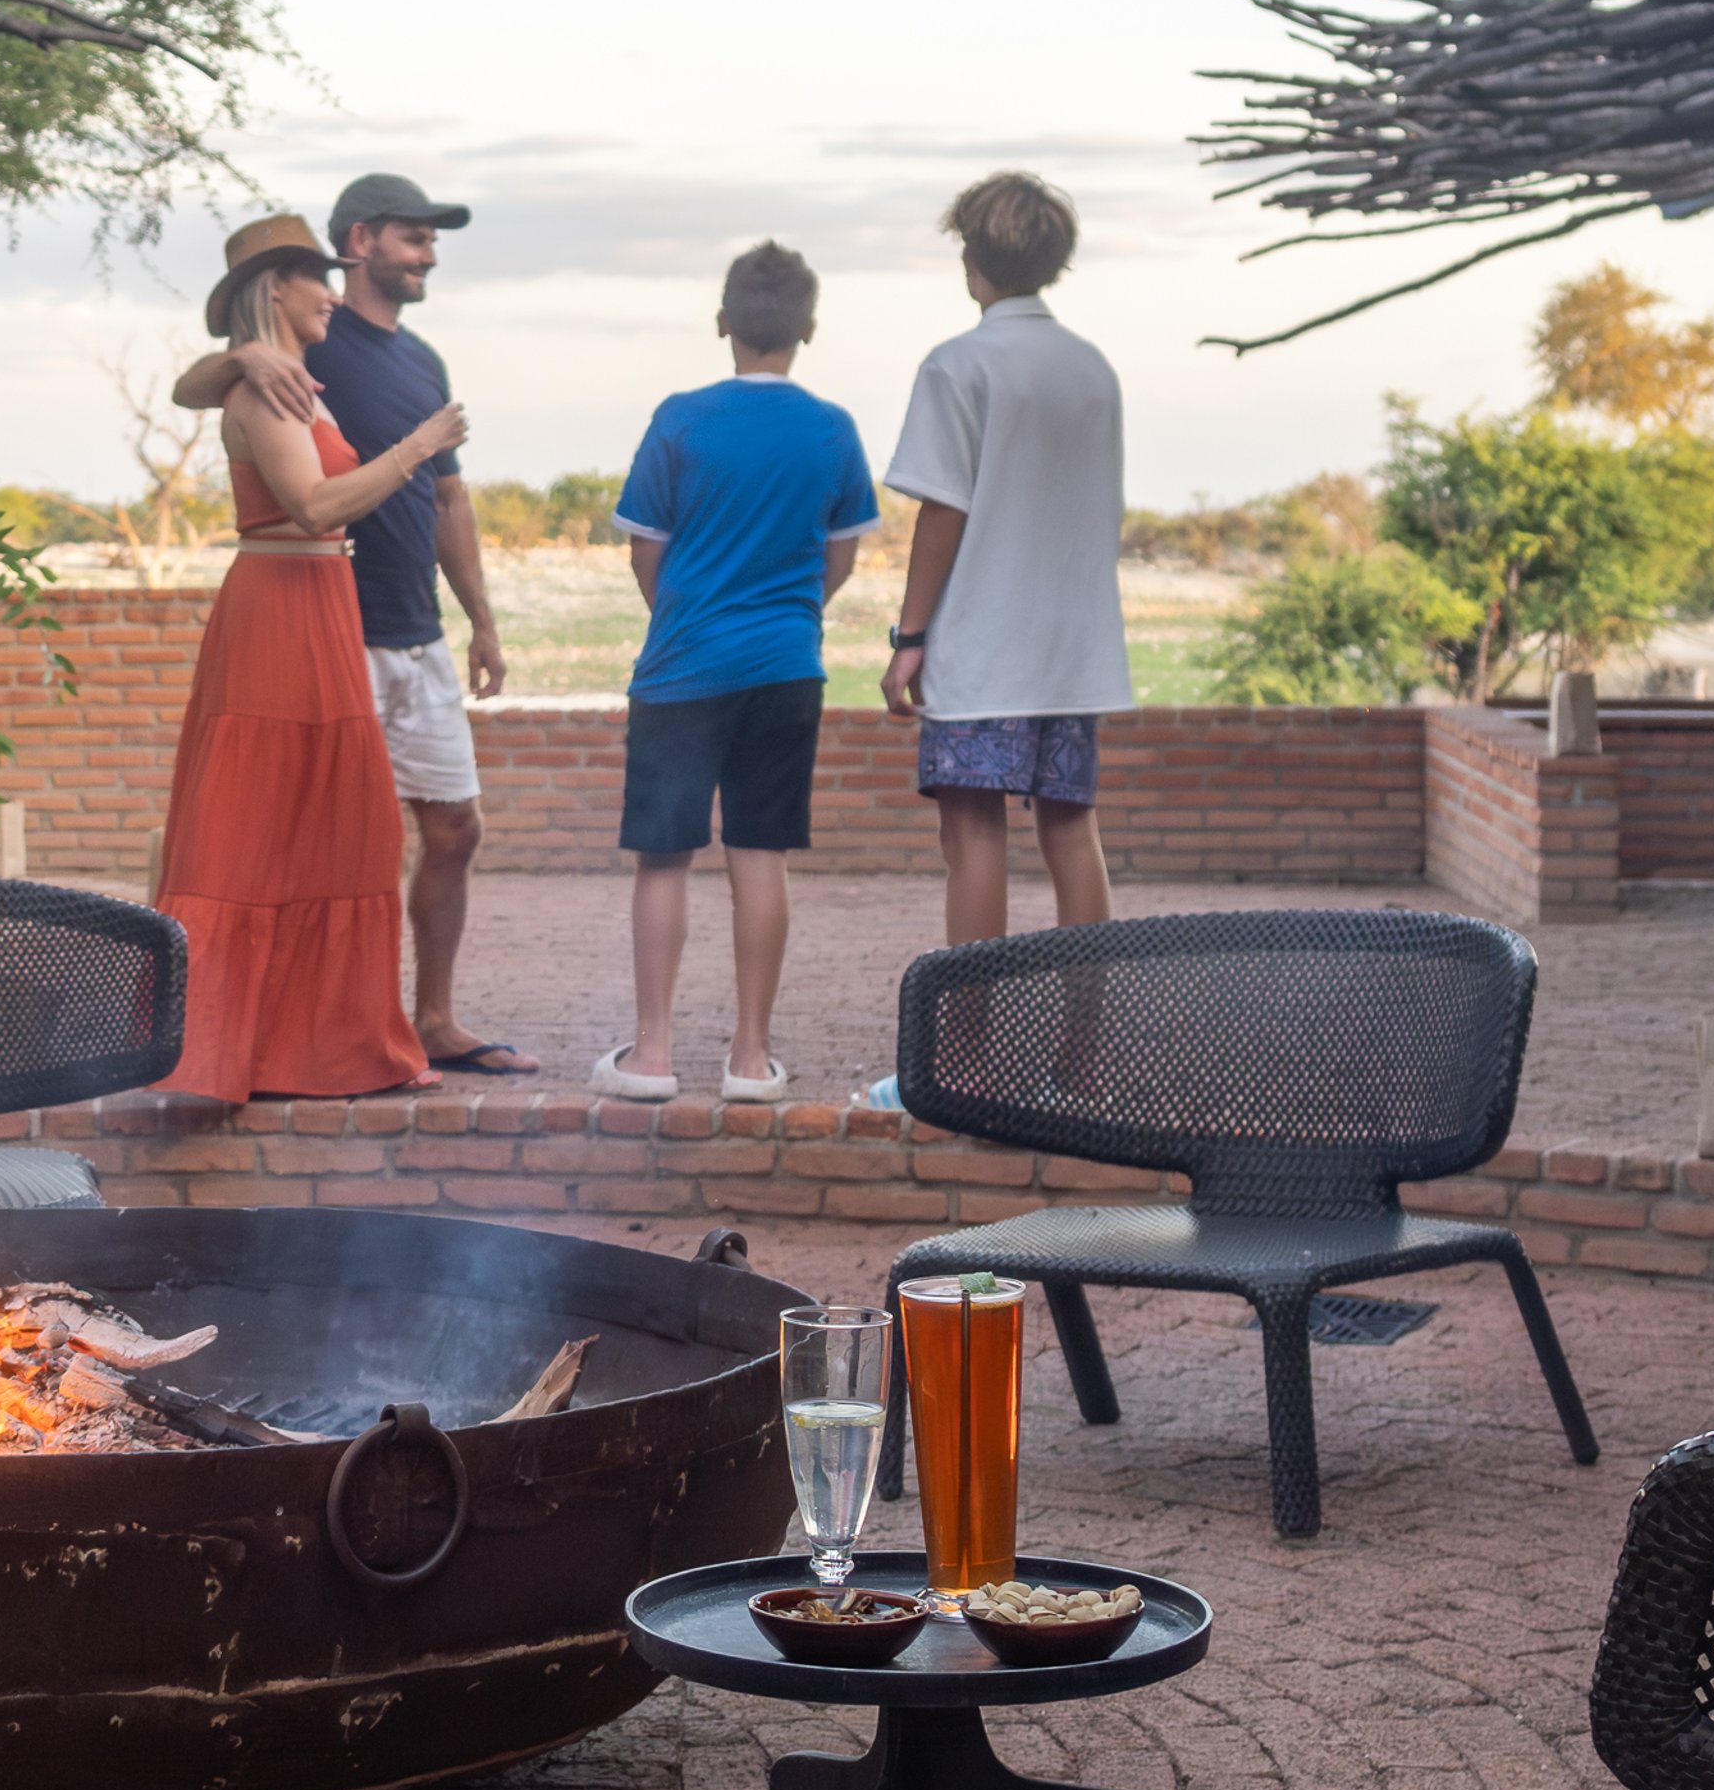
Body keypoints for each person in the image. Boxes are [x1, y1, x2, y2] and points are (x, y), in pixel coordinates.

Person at [170, 171, 529, 1073]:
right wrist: (242, 357)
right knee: (329, 837)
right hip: (329, 631)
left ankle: (431, 1020)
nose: (430, 256)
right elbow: (197, 385)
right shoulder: (300, 357)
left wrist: (480, 619)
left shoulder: (421, 364)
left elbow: (448, 498)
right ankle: (304, 1034)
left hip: (418, 627)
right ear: (362, 241)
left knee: (456, 827)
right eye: (416, 238)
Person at [595, 242, 880, 1106]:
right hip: (787, 667)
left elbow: (648, 551)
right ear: (809, 329)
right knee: (760, 855)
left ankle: (650, 1057)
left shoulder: (679, 418)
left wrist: (683, 615)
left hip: (682, 667)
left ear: (723, 322)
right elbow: (841, 558)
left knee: (663, 859)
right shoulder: (832, 428)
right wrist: (791, 616)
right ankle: (750, 1060)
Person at [878, 171, 1132, 949]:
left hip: (984, 649)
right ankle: (1085, 1061)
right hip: (1072, 650)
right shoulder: (1093, 367)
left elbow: (943, 509)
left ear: (971, 258)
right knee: (1071, 831)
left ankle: (967, 1063)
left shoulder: (958, 364)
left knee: (973, 839)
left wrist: (909, 637)